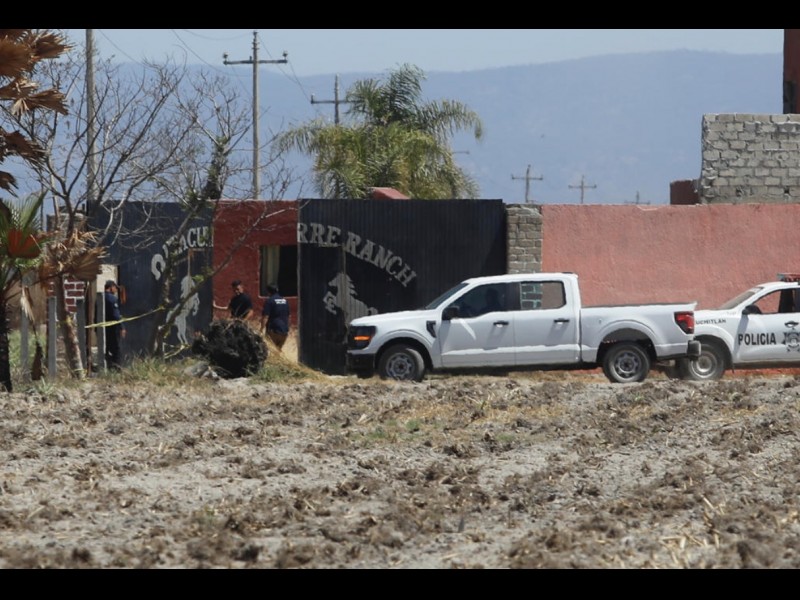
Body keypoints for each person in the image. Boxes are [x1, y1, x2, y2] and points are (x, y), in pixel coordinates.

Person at [104, 280, 126, 370]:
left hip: (104, 328)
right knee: (116, 348)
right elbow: (116, 315)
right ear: (111, 287)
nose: (116, 290)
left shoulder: (100, 298)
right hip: (113, 328)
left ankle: (109, 367)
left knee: (107, 348)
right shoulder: (112, 299)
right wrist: (122, 327)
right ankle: (117, 368)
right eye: (115, 288)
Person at [261, 283, 290, 350]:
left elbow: (266, 317)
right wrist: (287, 327)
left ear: (268, 292)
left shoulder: (269, 301)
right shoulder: (285, 301)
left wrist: (261, 329)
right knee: (278, 351)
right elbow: (289, 316)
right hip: (284, 331)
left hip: (273, 330)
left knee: (270, 350)